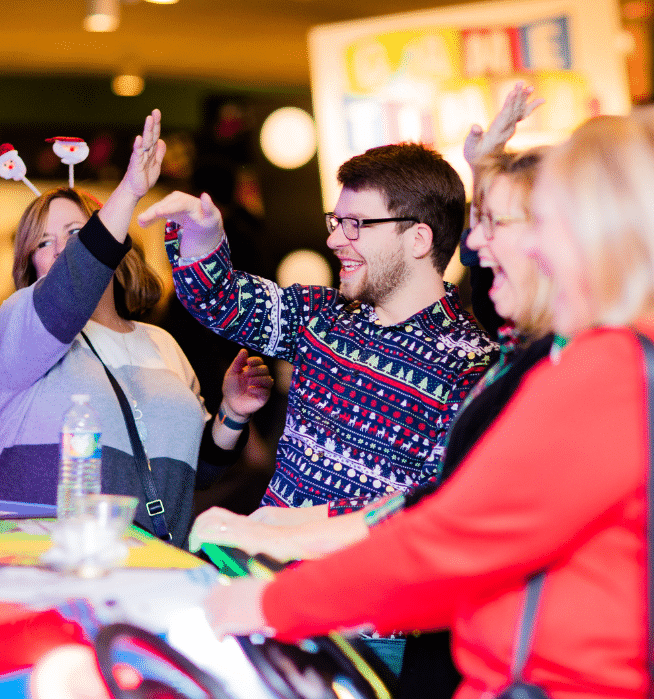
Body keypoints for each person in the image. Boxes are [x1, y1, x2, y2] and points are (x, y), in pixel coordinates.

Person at [199, 104, 654, 699]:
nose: (494, 245)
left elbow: (453, 540)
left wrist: (269, 602)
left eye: (539, 222)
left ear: (601, 232)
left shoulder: (619, 366)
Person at [138, 142, 498, 519]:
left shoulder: (470, 365)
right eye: (337, 222)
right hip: (260, 563)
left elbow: (430, 518)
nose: (334, 239)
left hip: (352, 574)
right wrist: (202, 233)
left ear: (418, 240)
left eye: (355, 224)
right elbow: (218, 299)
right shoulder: (321, 314)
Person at [0, 110, 273, 548]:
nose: (62, 249)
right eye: (43, 242)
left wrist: (233, 413)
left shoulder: (161, 343)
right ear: (31, 263)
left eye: (77, 232)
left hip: (149, 566)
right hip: (35, 563)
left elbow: (194, 469)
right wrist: (130, 190)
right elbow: (68, 290)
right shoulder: (20, 324)